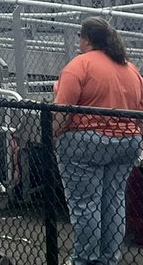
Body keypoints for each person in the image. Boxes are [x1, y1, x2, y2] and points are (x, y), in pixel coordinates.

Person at [53, 17, 143, 265]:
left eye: (80, 37)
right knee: (114, 201)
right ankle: (107, 258)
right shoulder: (130, 69)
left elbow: (63, 111)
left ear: (87, 39)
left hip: (85, 141)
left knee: (85, 204)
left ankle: (84, 259)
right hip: (127, 140)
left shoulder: (79, 66)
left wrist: (55, 136)